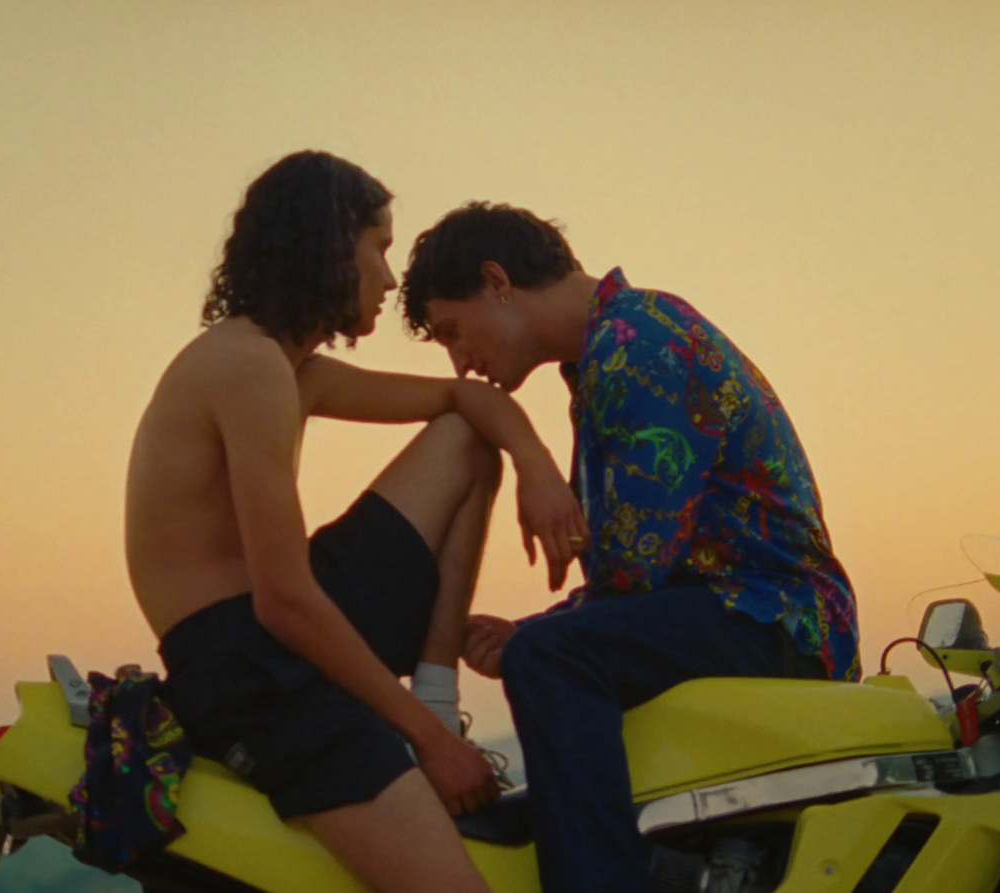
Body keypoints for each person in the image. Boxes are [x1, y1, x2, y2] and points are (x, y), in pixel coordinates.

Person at [125, 155, 583, 893]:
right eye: (381, 246)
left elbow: (472, 405)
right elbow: (283, 599)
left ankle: (437, 691)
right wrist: (427, 742)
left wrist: (538, 468)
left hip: (270, 634)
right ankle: (433, 718)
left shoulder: (283, 368)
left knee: (464, 437)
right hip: (250, 663)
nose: (391, 277)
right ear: (332, 247)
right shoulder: (247, 370)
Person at [397, 201, 861, 892]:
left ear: (497, 280)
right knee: (550, 650)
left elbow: (638, 564)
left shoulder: (637, 345)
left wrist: (544, 635)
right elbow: (646, 566)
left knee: (552, 659)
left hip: (777, 614)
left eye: (453, 331)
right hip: (738, 605)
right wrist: (538, 627)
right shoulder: (611, 348)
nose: (461, 362)